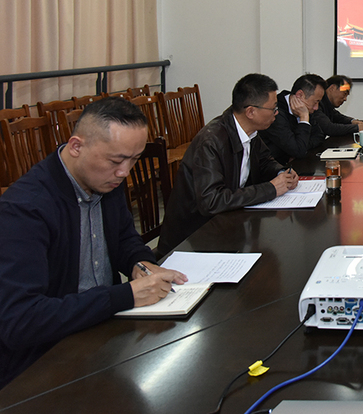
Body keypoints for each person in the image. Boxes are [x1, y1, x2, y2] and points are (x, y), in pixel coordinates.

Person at [0, 98, 187, 389]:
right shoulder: (24, 209)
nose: (125, 172)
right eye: (116, 161)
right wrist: (123, 296)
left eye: (134, 159)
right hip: (43, 361)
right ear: (76, 146)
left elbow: (124, 238)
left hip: (101, 333)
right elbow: (21, 321)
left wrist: (141, 264)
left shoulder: (104, 180)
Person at [159, 74, 298, 254]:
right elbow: (212, 201)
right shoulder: (211, 141)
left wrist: (282, 173)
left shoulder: (250, 132)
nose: (276, 113)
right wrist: (270, 189)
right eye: (273, 108)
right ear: (250, 112)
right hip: (193, 238)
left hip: (228, 222)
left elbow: (265, 162)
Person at [259, 73, 327, 164]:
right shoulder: (275, 113)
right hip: (272, 168)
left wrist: (301, 145)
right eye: (315, 102)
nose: (316, 108)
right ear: (300, 95)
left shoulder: (306, 107)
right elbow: (299, 151)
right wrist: (304, 118)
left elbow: (319, 135)